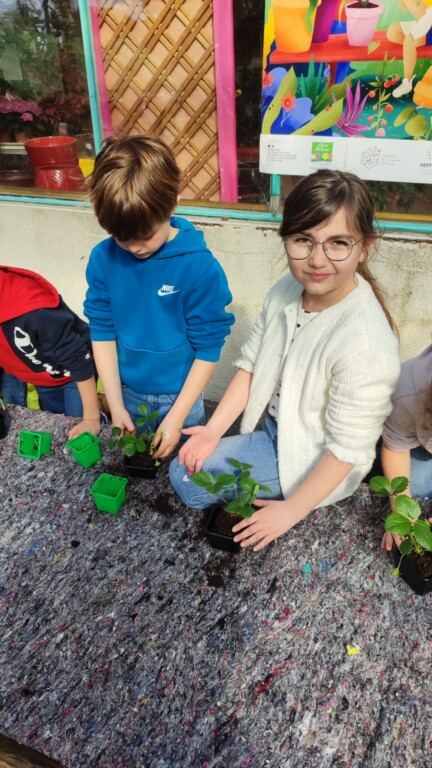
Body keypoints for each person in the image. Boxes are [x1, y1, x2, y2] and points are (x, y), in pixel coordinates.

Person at [169, 170, 401, 552]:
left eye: (338, 243)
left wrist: (291, 511)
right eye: (303, 240)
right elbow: (251, 363)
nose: (317, 259)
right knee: (188, 462)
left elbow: (348, 449)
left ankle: (296, 494)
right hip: (275, 431)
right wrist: (212, 431)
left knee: (184, 478)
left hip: (313, 458)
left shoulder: (368, 341)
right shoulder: (286, 290)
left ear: (365, 247)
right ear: (285, 238)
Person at [84, 135, 234, 459]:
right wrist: (114, 403)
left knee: (181, 469)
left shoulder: (200, 268)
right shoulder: (102, 260)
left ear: (173, 204)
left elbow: (209, 347)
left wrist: (177, 417)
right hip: (126, 390)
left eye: (146, 236)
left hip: (180, 397)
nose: (134, 248)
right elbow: (102, 331)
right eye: (121, 238)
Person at [0, 265, 101, 439]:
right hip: (42, 377)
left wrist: (91, 419)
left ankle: (100, 416)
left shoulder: (33, 310)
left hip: (76, 373)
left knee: (81, 424)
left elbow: (78, 360)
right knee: (56, 421)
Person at [380, 345, 432, 551]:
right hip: (418, 436)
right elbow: (396, 449)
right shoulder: (408, 395)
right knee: (418, 493)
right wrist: (402, 512)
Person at [387, 0, 432, 98]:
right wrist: (404, 3)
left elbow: (420, 15)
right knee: (392, 31)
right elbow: (419, 10)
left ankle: (407, 82)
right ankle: (412, 49)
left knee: (409, 40)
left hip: (429, 28)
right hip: (425, 21)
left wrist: (408, 2)